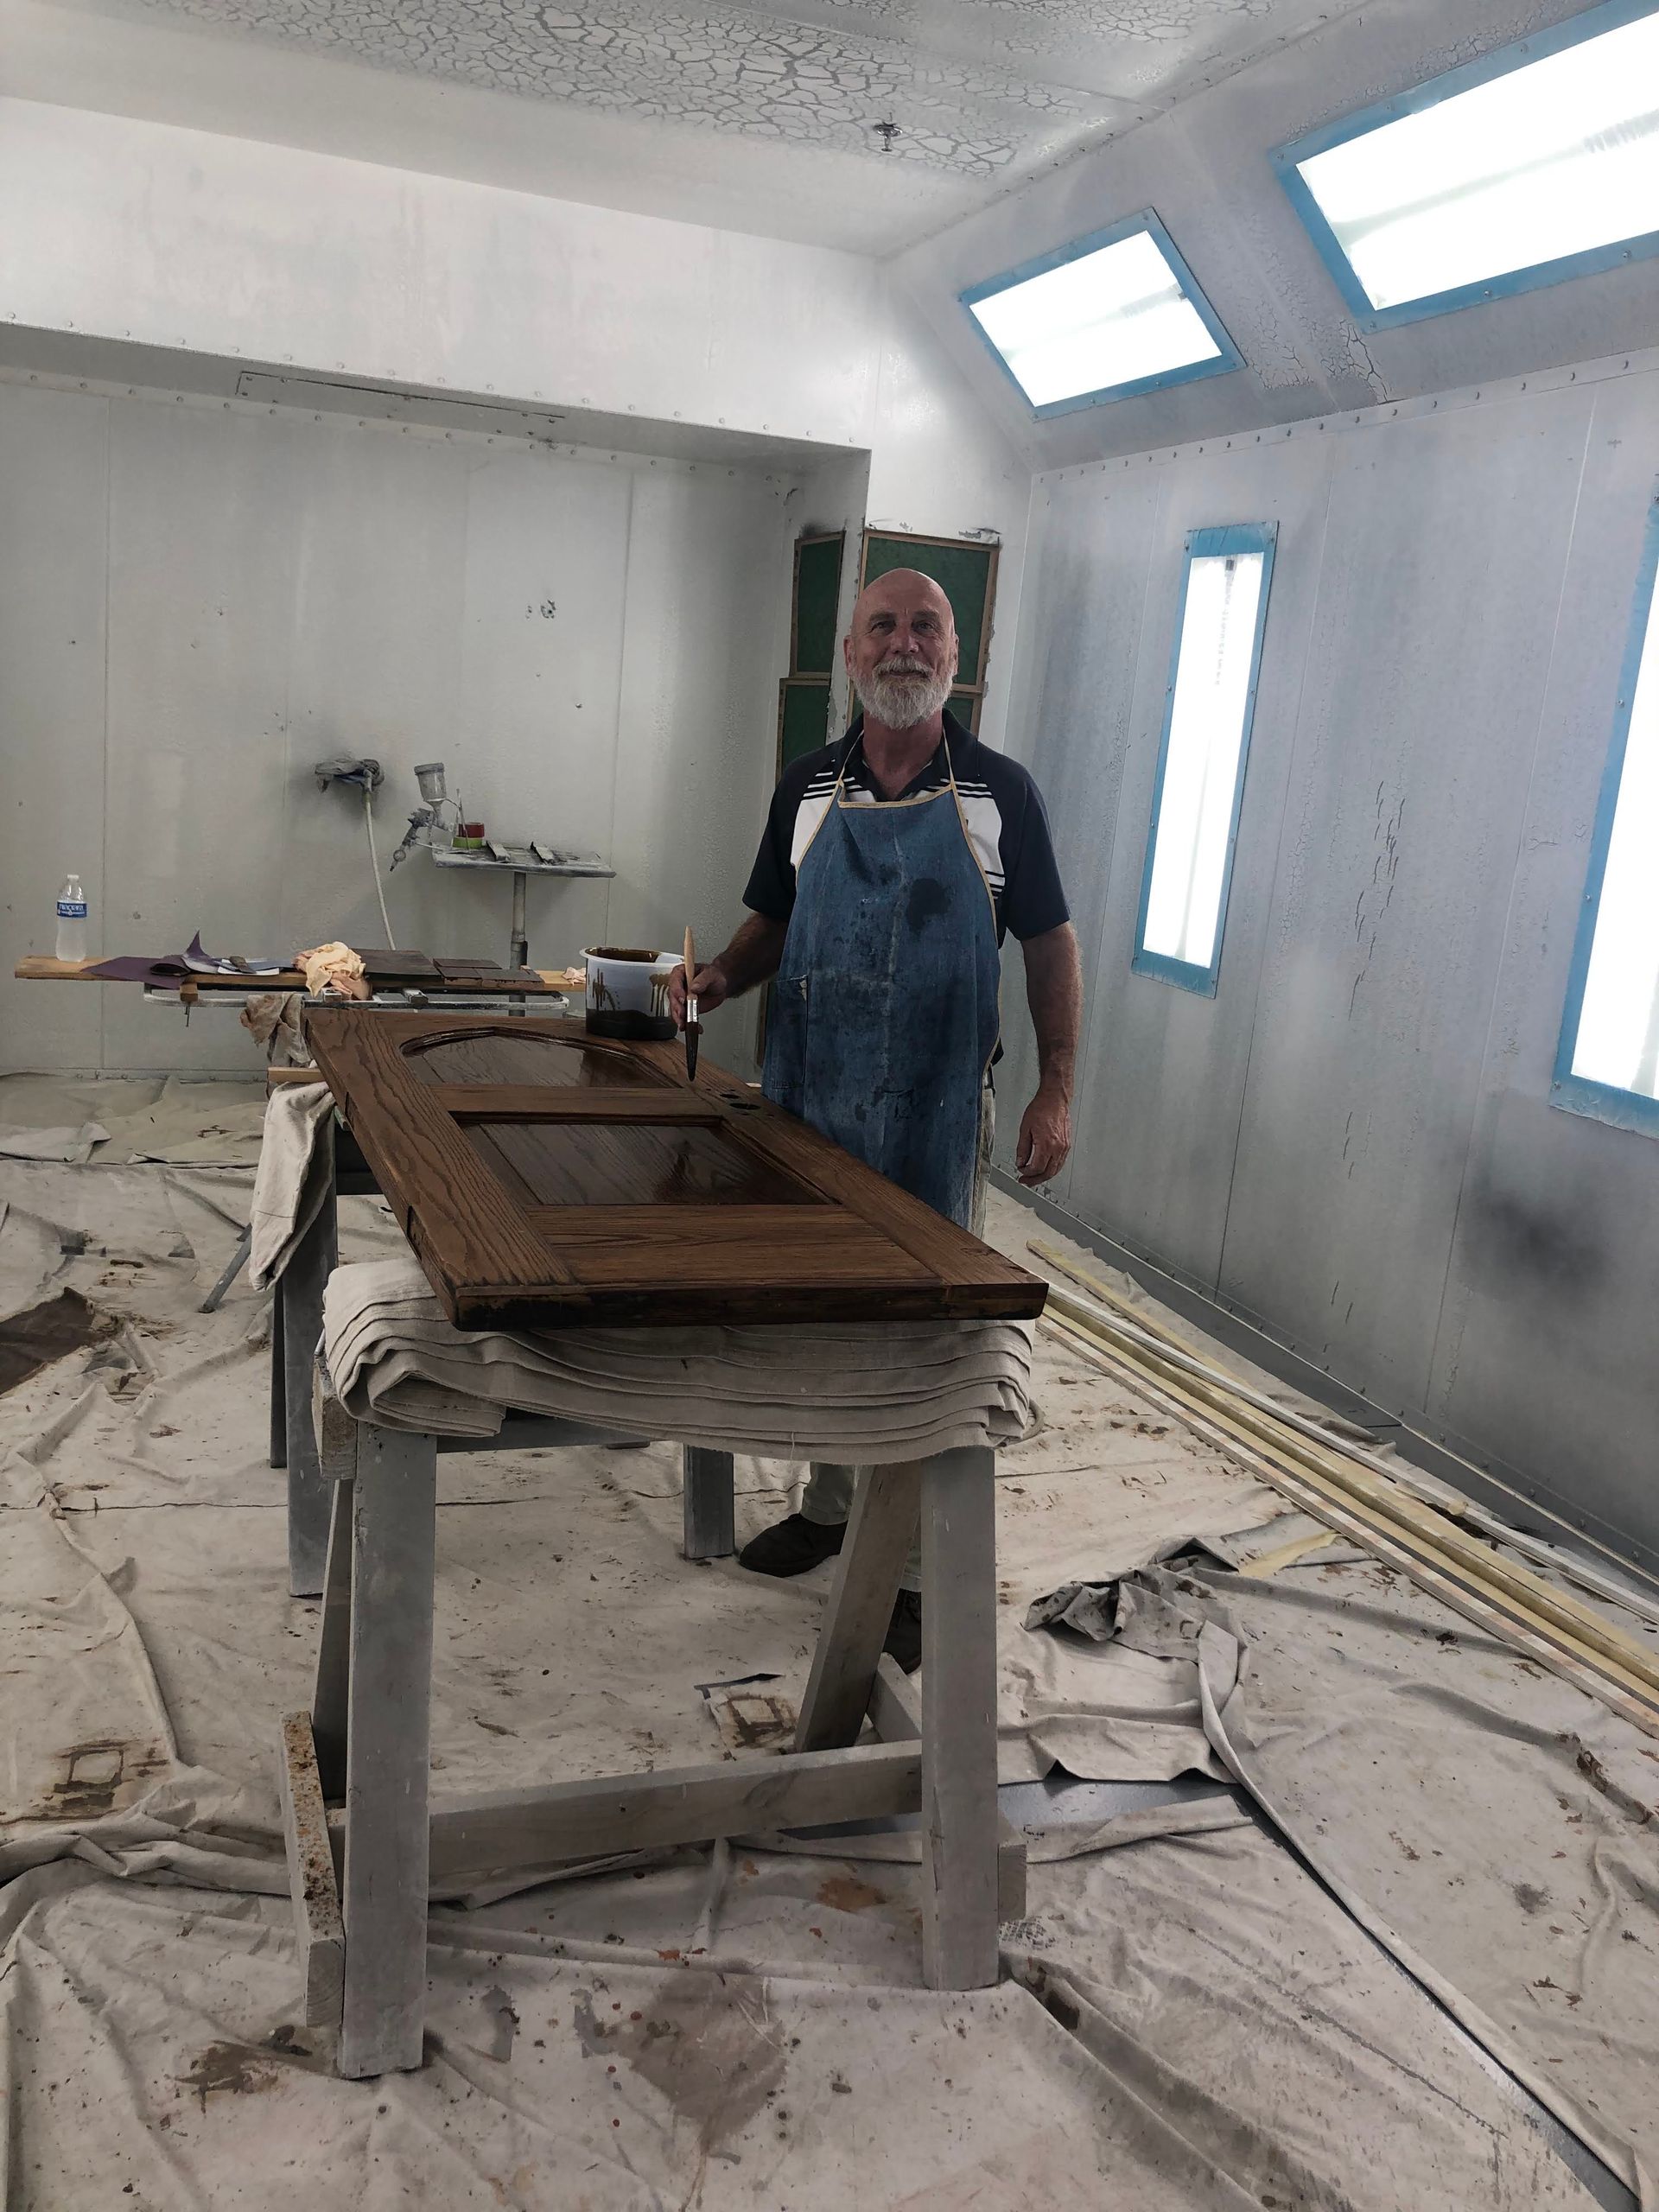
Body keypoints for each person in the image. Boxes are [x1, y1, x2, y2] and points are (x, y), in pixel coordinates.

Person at [671, 567, 1081, 1668]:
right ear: (852, 655)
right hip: (811, 1103)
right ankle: (830, 1503)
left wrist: (1057, 1085)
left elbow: (1049, 945)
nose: (904, 644)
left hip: (937, 1117)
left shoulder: (1001, 796)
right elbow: (774, 921)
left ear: (957, 654)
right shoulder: (808, 785)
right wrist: (715, 979)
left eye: (926, 627)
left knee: (923, 1337)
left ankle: (902, 1568)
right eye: (883, 627)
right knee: (819, 1315)